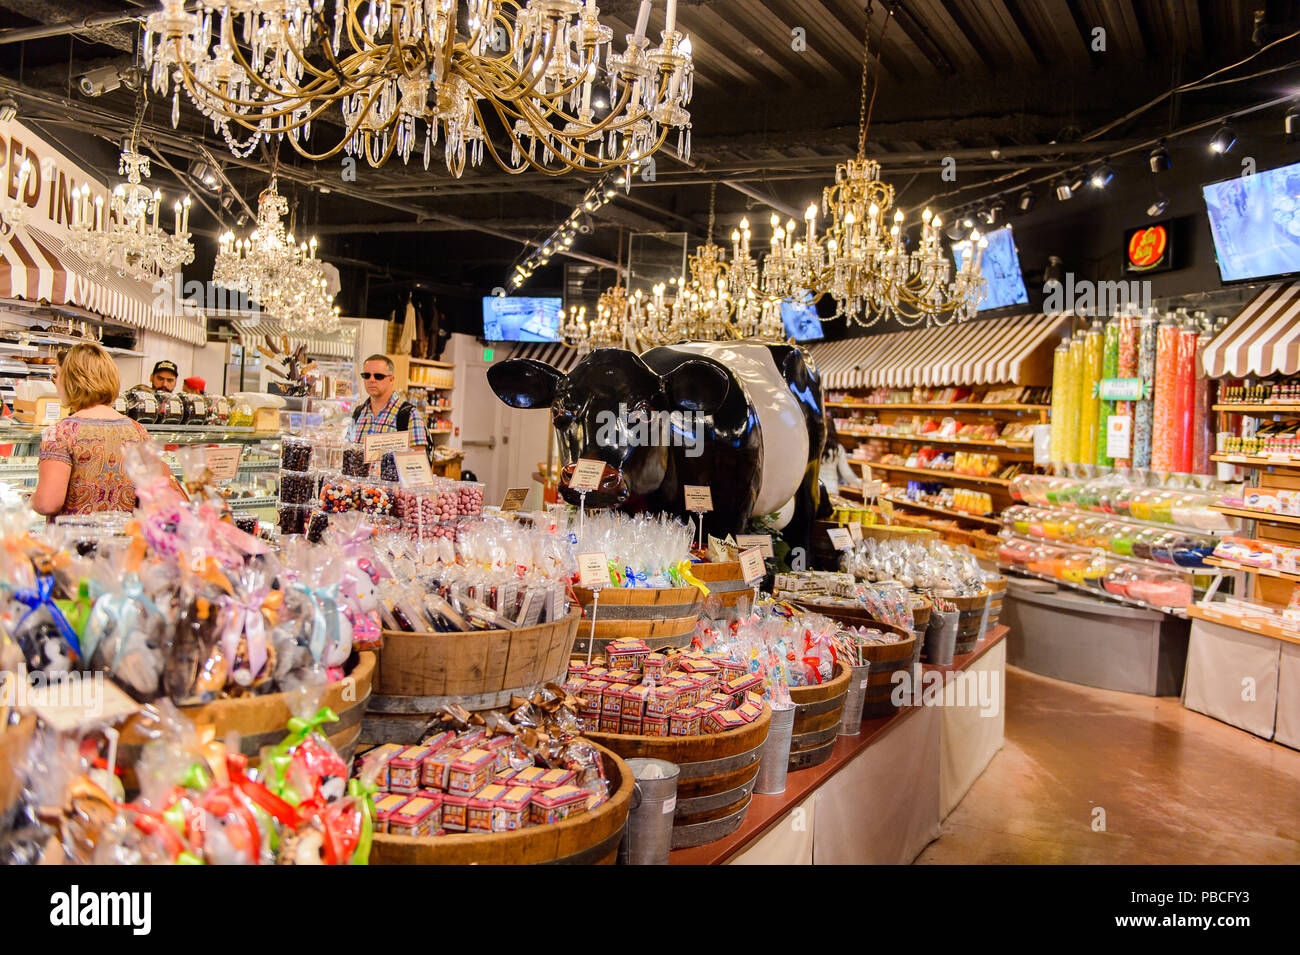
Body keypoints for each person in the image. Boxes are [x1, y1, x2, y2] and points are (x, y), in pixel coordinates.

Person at [31, 343, 151, 518]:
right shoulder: (139, 432)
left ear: (72, 380)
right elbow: (150, 501)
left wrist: (29, 499)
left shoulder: (61, 432)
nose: (55, 382)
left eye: (57, 375)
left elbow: (48, 503)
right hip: (125, 541)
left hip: (72, 543)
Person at [346, 354, 427, 448]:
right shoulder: (358, 413)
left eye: (378, 376)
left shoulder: (409, 414)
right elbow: (348, 449)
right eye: (367, 375)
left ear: (391, 379)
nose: (371, 380)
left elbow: (417, 460)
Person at [819, 413, 862, 496]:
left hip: (817, 489)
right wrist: (859, 483)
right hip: (832, 489)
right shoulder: (838, 448)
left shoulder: (814, 447)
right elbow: (846, 472)